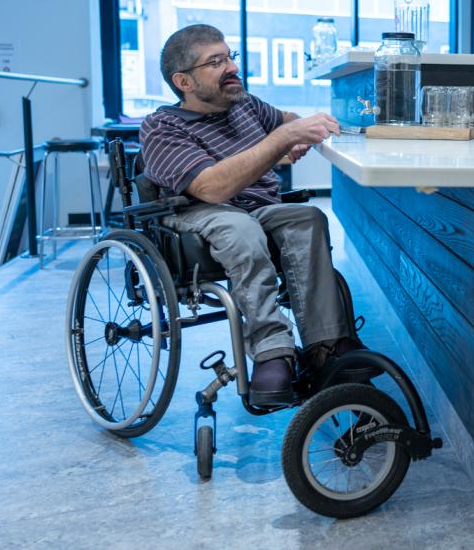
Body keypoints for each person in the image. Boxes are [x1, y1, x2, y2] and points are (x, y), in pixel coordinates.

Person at [139, 24, 357, 407]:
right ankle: (272, 351)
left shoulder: (245, 105)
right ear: (183, 81)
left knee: (308, 217)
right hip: (197, 214)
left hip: (258, 209)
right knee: (239, 227)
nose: (230, 67)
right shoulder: (162, 127)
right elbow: (211, 189)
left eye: (230, 57)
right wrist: (280, 142)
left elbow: (285, 120)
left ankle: (327, 346)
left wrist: (299, 131)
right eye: (215, 62)